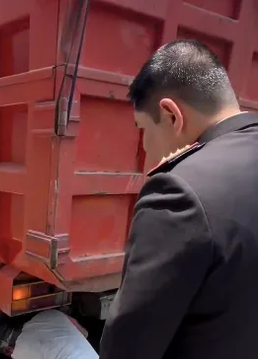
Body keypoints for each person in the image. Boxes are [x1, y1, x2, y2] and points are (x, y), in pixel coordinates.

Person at [99, 39, 258, 359]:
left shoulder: (180, 193)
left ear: (171, 115)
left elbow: (130, 345)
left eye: (143, 129)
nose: (145, 147)